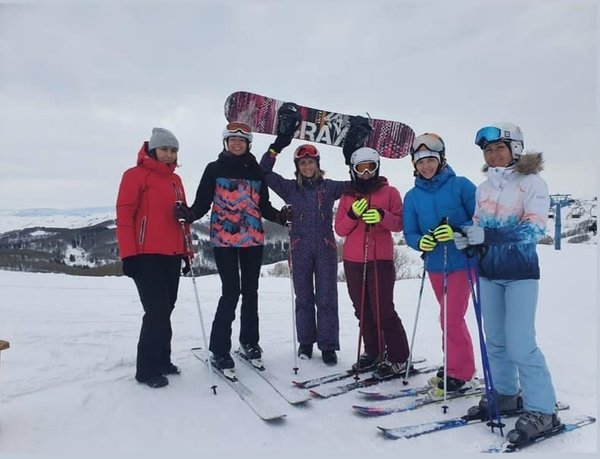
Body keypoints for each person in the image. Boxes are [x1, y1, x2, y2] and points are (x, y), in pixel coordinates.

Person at [455, 122, 559, 441]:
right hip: (489, 272)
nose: (494, 155)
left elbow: (534, 229)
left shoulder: (532, 183)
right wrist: (468, 238)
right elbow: (478, 223)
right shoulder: (483, 188)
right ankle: (505, 393)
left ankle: (543, 410)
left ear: (515, 148)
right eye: (488, 150)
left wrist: (487, 236)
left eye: (500, 148)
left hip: (520, 273)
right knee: (496, 340)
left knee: (521, 343)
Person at [175, 122, 290, 372]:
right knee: (231, 291)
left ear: (248, 144)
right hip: (224, 239)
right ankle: (219, 349)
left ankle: (249, 342)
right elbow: (202, 203)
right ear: (226, 143)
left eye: (241, 140)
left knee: (251, 291)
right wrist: (190, 214)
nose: (237, 144)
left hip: (253, 239)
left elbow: (264, 206)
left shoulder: (256, 171)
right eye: (232, 140)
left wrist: (280, 217)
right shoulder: (214, 168)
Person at [260, 134, 350, 365]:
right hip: (299, 248)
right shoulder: (290, 189)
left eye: (311, 162)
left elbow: (356, 183)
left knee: (327, 297)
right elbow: (264, 173)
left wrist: (351, 154)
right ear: (297, 167)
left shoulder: (329, 187)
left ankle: (328, 346)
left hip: (325, 248)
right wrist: (275, 148)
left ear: (317, 164)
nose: (307, 167)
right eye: (302, 163)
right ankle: (306, 343)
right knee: (303, 297)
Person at [116, 127, 191, 389]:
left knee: (166, 308)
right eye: (164, 149)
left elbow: (182, 219)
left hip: (172, 254)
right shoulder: (134, 175)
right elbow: (125, 217)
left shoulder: (176, 180)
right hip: (145, 255)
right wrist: (129, 255)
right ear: (152, 150)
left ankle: (162, 360)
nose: (169, 154)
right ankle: (146, 370)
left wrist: (187, 252)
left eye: (173, 150)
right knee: (156, 311)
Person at [403, 133, 477, 392]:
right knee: (449, 317)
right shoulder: (412, 197)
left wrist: (458, 230)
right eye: (420, 161)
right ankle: (454, 363)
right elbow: (410, 232)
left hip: (462, 262)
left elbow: (480, 219)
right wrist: (420, 242)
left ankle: (460, 372)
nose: (426, 166)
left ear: (441, 159)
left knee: (450, 317)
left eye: (430, 160)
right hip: (435, 265)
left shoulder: (461, 186)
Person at [335, 146, 410, 378]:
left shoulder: (390, 192)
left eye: (370, 167)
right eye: (361, 168)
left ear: (377, 168)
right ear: (354, 170)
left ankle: (399, 357)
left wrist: (381, 215)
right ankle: (374, 350)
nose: (366, 173)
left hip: (380, 259)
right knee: (363, 310)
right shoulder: (347, 196)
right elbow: (340, 229)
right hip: (353, 260)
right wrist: (352, 215)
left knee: (383, 310)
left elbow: (399, 223)